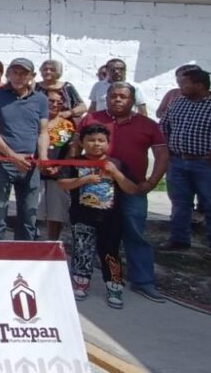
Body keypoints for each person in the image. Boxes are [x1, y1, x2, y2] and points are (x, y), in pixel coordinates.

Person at [78, 82, 170, 302]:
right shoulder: (91, 119)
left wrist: (151, 183)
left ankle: (143, 281)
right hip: (95, 187)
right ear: (107, 98)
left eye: (123, 97)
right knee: (88, 235)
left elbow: (162, 156)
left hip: (132, 188)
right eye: (114, 96)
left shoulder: (148, 125)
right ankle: (83, 281)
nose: (118, 100)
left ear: (132, 100)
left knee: (135, 234)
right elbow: (75, 149)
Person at [160, 68, 211, 256]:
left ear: (199, 85)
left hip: (207, 164)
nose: (181, 86)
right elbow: (163, 127)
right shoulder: (178, 104)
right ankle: (179, 240)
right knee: (180, 203)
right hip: (178, 162)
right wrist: (166, 150)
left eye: (185, 83)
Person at [59, 124, 139, 309]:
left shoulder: (116, 164)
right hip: (82, 216)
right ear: (82, 142)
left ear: (108, 143)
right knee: (82, 250)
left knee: (110, 252)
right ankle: (81, 284)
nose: (96, 144)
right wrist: (84, 180)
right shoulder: (75, 162)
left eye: (101, 141)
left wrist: (116, 174)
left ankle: (114, 287)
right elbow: (62, 183)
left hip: (111, 218)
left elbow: (132, 189)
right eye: (91, 140)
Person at [0, 58, 49, 241]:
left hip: (30, 163)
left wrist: (42, 156)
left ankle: (24, 256)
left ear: (32, 76)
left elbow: (43, 131)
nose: (19, 77)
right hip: (3, 162)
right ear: (8, 74)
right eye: (16, 72)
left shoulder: (41, 99)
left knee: (29, 214)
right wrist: (11, 156)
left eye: (24, 73)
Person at [39, 88, 76, 242]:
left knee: (56, 213)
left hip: (58, 175)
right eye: (51, 101)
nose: (54, 105)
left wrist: (59, 169)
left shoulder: (68, 125)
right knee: (35, 211)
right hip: (37, 172)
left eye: (59, 103)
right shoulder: (36, 121)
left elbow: (71, 150)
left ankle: (52, 244)